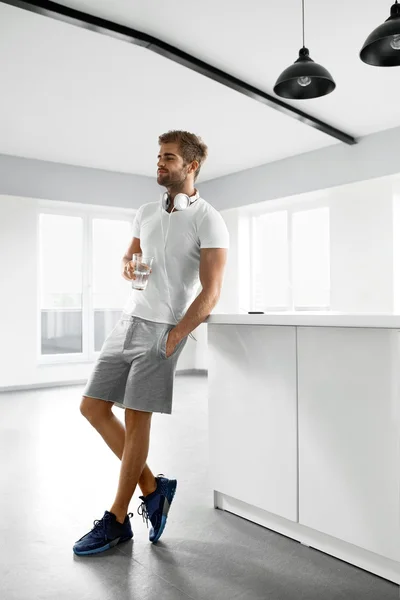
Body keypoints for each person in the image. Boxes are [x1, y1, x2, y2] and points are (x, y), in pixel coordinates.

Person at [73, 130, 229, 556]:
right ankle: (154, 487)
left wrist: (176, 335)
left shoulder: (208, 218)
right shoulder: (145, 211)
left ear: (191, 166)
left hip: (163, 329)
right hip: (129, 320)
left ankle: (118, 520)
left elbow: (212, 291)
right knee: (92, 407)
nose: (160, 163)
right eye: (159, 156)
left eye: (170, 158)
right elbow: (131, 257)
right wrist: (128, 267)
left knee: (138, 418)